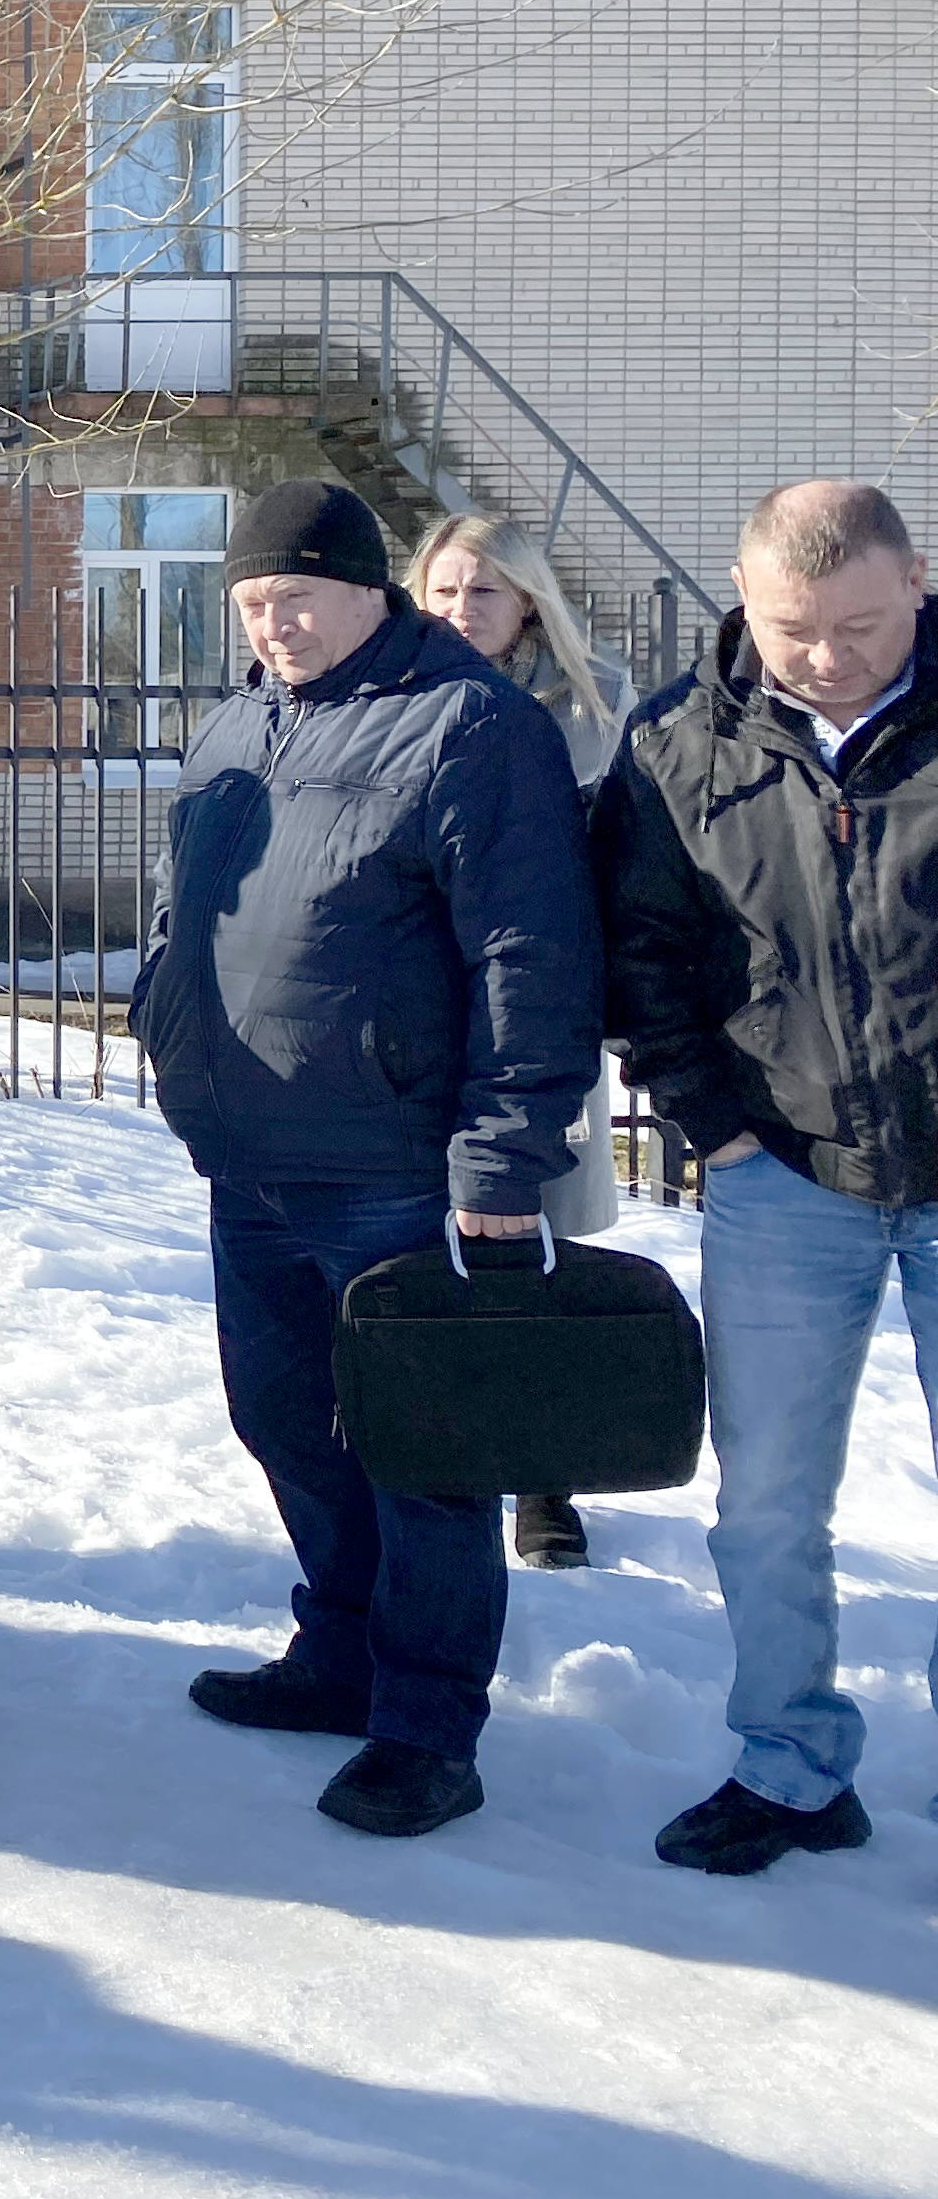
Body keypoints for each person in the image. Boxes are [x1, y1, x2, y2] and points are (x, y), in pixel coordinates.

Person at [136, 479, 599, 1839]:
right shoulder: (237, 723)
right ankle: (337, 1652)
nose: (271, 626)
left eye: (294, 600)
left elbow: (531, 956)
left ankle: (427, 1725)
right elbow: (185, 910)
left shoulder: (472, 726)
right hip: (251, 1159)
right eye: (249, 605)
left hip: (399, 1164)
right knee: (279, 1419)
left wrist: (506, 1158)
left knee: (424, 1452)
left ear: (366, 590)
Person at [596, 480, 938, 1879]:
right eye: (793, 629)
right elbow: (643, 950)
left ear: (917, 580)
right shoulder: (680, 745)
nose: (827, 656)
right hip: (787, 1176)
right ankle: (790, 1767)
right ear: (745, 600)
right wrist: (707, 1120)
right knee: (770, 1503)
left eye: (858, 624)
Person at [413, 509, 640, 1572]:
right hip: (417, 1013)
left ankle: (544, 1479)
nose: (463, 612)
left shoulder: (592, 713)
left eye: (484, 593)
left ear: (528, 603)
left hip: (537, 1010)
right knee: (425, 1243)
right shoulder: (390, 693)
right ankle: (437, 1443)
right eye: (446, 591)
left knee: (535, 1245)